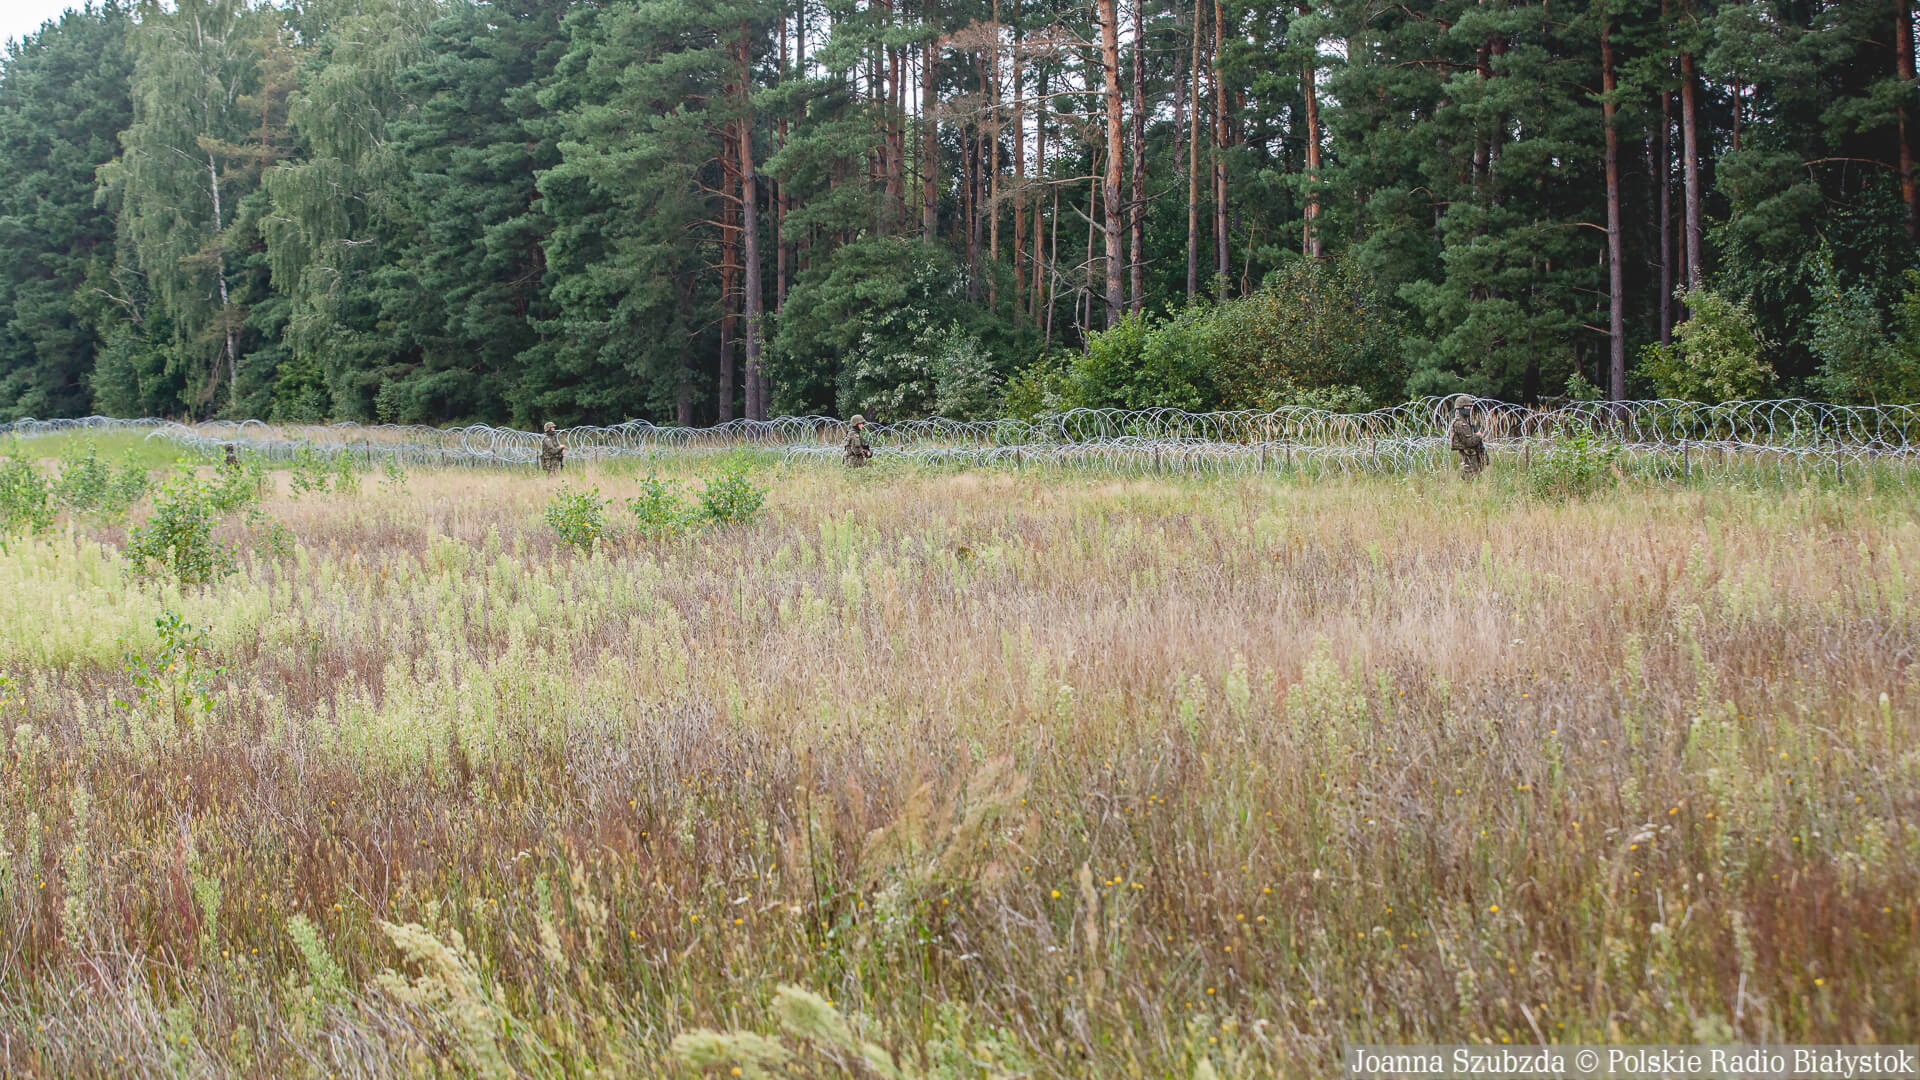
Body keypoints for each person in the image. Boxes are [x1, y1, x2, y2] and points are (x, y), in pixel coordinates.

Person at [1449, 395, 1487, 478]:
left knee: (1476, 478)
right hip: (1467, 456)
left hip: (1472, 456)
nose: (1469, 409)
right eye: (1467, 407)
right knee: (1470, 479)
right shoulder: (1460, 423)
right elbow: (1469, 442)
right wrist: (1478, 436)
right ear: (1460, 408)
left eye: (1470, 407)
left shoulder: (1465, 422)